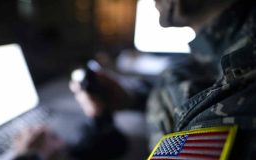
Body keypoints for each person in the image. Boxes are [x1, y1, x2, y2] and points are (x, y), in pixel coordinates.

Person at [14, 0, 256, 159]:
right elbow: (199, 79)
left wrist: (27, 158)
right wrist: (131, 98)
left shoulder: (241, 96)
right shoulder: (224, 43)